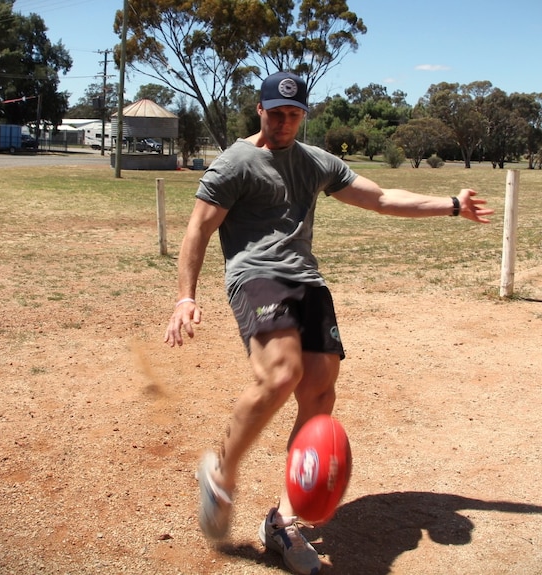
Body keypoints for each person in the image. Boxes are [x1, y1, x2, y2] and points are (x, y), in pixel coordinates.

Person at [164, 71, 493, 575]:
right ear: (259, 110)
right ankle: (221, 472)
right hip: (256, 277)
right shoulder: (235, 162)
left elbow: (379, 198)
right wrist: (185, 296)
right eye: (276, 113)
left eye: (294, 114)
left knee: (319, 393)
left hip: (308, 282)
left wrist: (450, 206)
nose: (285, 122)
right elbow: (198, 228)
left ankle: (282, 523)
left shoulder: (315, 161)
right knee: (280, 373)